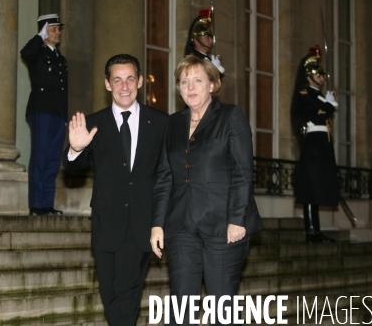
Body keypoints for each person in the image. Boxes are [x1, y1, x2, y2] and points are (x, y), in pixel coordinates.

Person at [150, 55, 263, 325]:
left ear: (212, 84)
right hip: (182, 229)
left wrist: (237, 219)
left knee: (223, 311)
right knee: (181, 311)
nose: (190, 87)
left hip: (224, 228)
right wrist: (158, 224)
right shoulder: (173, 123)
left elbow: (242, 171)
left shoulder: (230, 116)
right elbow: (166, 177)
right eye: (184, 81)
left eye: (198, 80)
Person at [63, 54, 168, 325]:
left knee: (126, 294)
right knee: (112, 296)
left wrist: (161, 221)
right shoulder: (93, 122)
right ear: (107, 84)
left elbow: (167, 175)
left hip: (141, 225)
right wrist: (76, 149)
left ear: (140, 82)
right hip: (106, 224)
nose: (124, 86)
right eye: (117, 79)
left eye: (130, 79)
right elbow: (72, 169)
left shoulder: (159, 123)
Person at [290, 45, 339, 243]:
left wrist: (326, 104)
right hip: (313, 145)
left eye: (322, 74)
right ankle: (311, 232)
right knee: (311, 189)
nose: (322, 77)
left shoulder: (318, 96)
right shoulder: (305, 95)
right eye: (318, 74)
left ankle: (316, 231)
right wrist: (327, 105)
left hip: (322, 145)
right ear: (309, 75)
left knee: (317, 188)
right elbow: (315, 115)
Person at [21, 14, 68, 216]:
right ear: (44, 30)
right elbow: (25, 52)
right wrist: (39, 37)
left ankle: (47, 204)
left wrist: (65, 117)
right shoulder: (37, 54)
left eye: (58, 29)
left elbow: (63, 90)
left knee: (52, 161)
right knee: (40, 159)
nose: (58, 33)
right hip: (41, 112)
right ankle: (36, 205)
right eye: (53, 29)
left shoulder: (60, 59)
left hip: (57, 114)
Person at [184, 9, 225, 75]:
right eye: (207, 38)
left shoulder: (207, 58)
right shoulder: (194, 59)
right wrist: (215, 68)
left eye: (211, 38)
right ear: (196, 40)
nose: (211, 40)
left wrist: (217, 67)